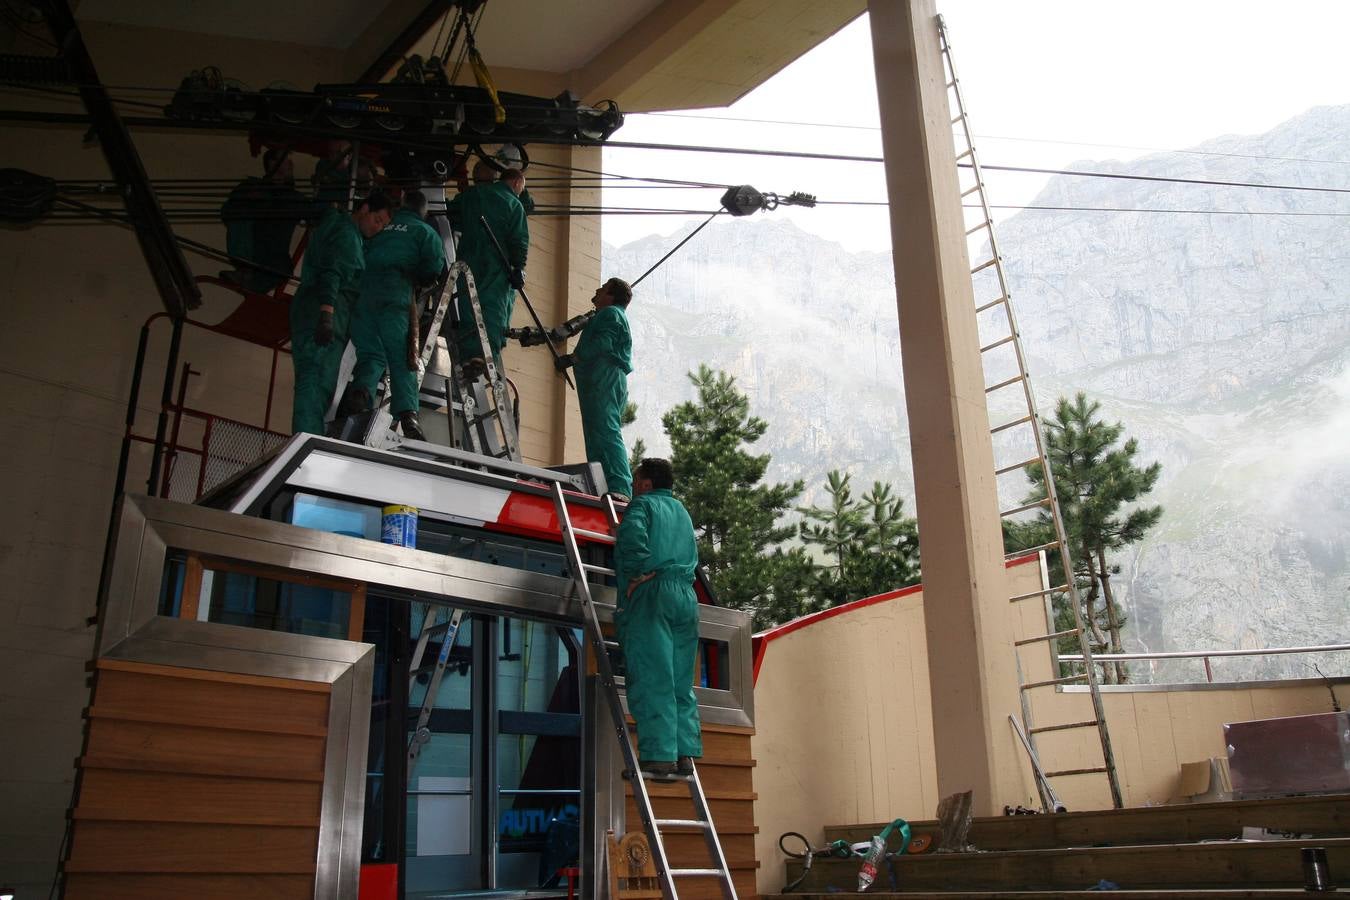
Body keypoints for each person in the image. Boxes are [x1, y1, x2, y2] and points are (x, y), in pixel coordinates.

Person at [614, 457, 702, 778]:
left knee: (654, 675)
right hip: (686, 598)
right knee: (681, 680)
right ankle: (684, 755)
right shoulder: (682, 512)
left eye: (636, 481)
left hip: (655, 594)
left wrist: (637, 574)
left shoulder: (643, 506)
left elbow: (631, 539)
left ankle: (658, 756)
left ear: (647, 485)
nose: (633, 487)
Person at [290, 190, 393, 435]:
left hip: (316, 313)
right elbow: (332, 273)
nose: (378, 228)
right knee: (316, 383)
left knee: (313, 381)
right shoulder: (347, 235)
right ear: (364, 209)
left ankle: (306, 439)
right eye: (377, 220)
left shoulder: (335, 226)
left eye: (383, 225)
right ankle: (307, 444)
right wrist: (326, 313)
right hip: (326, 316)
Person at [347, 190, 447, 440]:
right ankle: (408, 416)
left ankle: (359, 396)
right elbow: (433, 267)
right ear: (423, 212)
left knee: (371, 353)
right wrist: (420, 281)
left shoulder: (384, 227)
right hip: (396, 292)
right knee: (403, 356)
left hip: (365, 294)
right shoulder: (425, 232)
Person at [555, 277, 633, 499]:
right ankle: (607, 484)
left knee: (606, 431)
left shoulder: (610, 314)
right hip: (601, 379)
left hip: (604, 378)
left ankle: (619, 485)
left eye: (603, 288)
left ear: (610, 296)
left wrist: (573, 358)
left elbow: (603, 343)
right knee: (598, 433)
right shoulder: (610, 315)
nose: (597, 289)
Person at [447, 167, 528, 374]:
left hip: (469, 258)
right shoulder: (514, 204)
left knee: (467, 302)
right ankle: (484, 355)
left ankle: (467, 356)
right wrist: (519, 268)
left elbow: (451, 214)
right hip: (497, 265)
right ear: (517, 183)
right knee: (493, 310)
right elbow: (519, 241)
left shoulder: (474, 194)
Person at [219, 147, 307, 294]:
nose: (290, 166)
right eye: (286, 162)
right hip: (250, 254)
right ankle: (247, 273)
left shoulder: (294, 198)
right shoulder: (251, 188)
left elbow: (316, 213)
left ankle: (249, 277)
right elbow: (228, 212)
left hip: (273, 261)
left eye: (289, 163)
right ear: (272, 165)